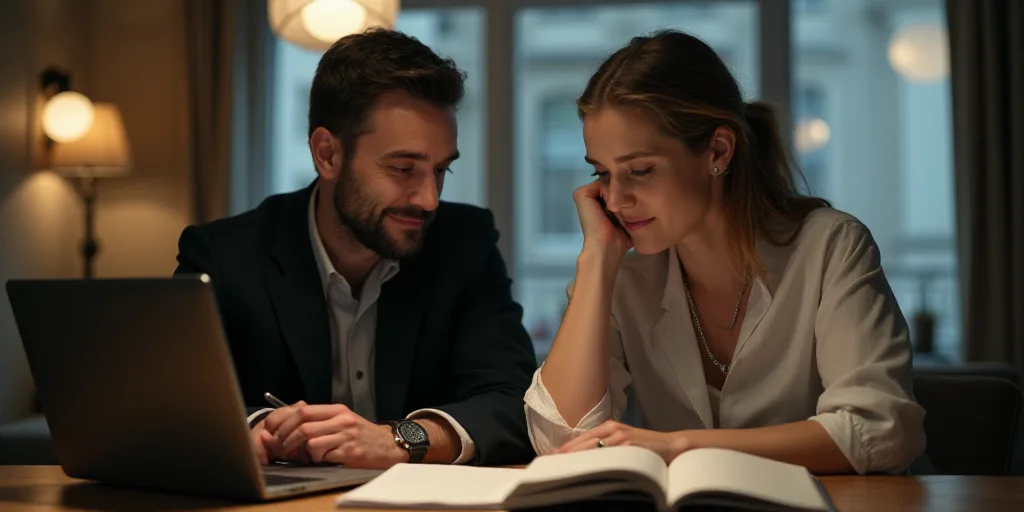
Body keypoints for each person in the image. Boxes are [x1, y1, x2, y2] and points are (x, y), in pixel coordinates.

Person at [524, 30, 926, 475]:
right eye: (602, 173)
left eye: (639, 170)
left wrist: (680, 446)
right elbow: (561, 442)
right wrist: (596, 259)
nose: (615, 200)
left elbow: (880, 429)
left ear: (718, 150)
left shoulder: (830, 246)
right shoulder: (621, 277)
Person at [174, 29, 537, 469]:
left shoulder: (464, 243)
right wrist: (261, 428)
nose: (429, 199)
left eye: (441, 170)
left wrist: (400, 439)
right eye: (403, 168)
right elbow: (175, 399)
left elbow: (511, 402)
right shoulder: (224, 255)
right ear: (327, 154)